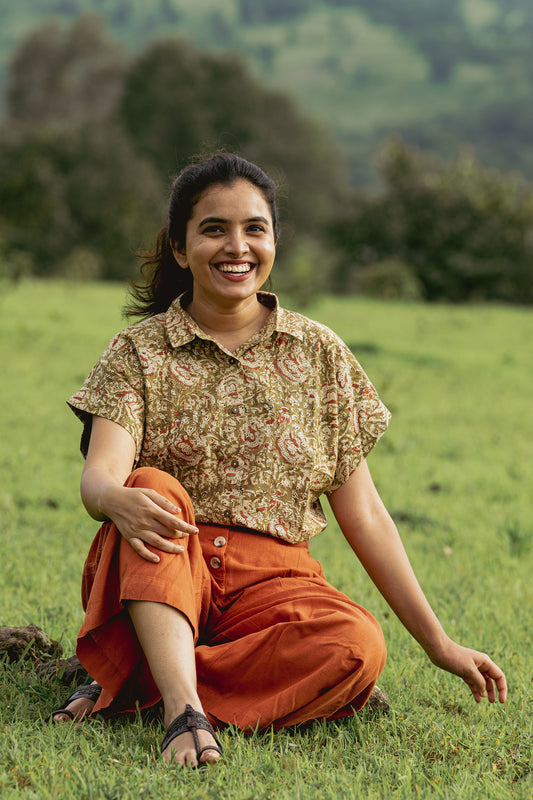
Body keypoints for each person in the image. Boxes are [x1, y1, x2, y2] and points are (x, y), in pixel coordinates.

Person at [53, 153, 507, 767]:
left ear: (273, 242)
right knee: (153, 486)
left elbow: (365, 515)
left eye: (254, 228)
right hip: (161, 565)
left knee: (356, 646)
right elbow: (100, 476)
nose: (236, 246)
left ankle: (136, 678)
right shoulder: (138, 351)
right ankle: (183, 710)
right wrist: (116, 498)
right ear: (181, 250)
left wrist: (438, 643)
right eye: (213, 229)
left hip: (273, 587)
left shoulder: (320, 354)